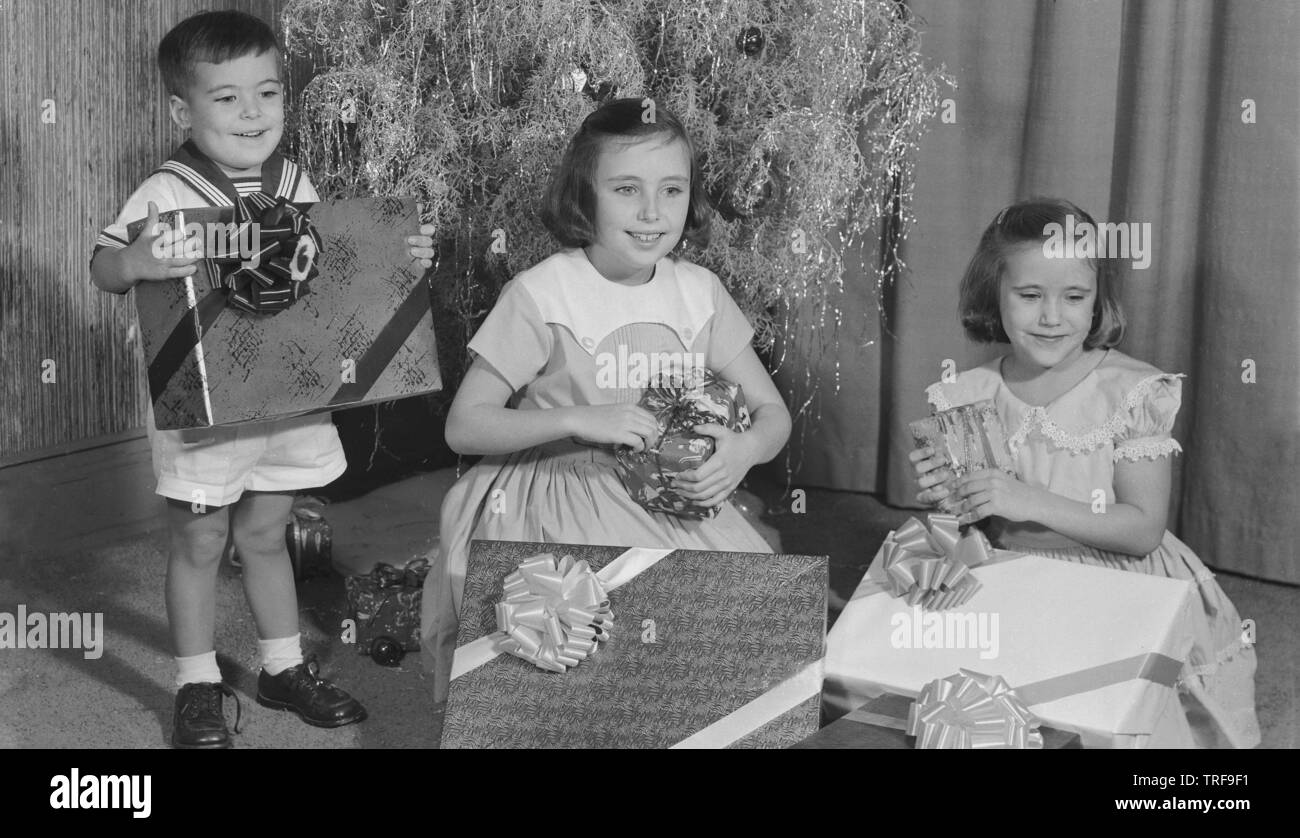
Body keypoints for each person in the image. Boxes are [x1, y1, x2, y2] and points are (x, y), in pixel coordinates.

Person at [90, 10, 438, 748]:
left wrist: (398, 254)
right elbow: (106, 267)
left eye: (268, 93)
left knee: (268, 532)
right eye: (227, 98)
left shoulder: (294, 180)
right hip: (205, 410)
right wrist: (134, 262)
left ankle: (281, 669)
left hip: (290, 398)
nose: (253, 112)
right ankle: (195, 682)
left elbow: (332, 272)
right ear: (184, 110)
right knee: (201, 542)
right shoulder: (167, 190)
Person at [421, 98, 792, 702]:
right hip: (556, 492)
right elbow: (464, 427)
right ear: (584, 194)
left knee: (720, 638)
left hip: (668, 495)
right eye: (626, 189)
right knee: (572, 660)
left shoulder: (700, 294)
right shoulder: (544, 293)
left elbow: (773, 414)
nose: (652, 212)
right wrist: (576, 418)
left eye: (672, 190)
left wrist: (746, 450)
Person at [910, 198, 1260, 748]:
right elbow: (979, 517)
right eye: (1029, 296)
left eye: (1074, 297)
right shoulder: (965, 392)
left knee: (1110, 723)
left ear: (1098, 302)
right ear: (992, 294)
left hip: (1116, 581)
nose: (1052, 317)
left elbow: (1142, 531)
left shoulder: (1131, 393)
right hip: (1013, 575)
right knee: (991, 712)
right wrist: (953, 497)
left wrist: (1025, 499)